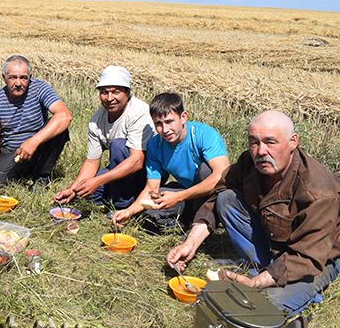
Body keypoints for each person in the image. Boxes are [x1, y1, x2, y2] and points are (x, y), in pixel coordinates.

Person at [167, 110, 340, 314]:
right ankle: (262, 266)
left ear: (293, 141)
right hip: (274, 239)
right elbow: (217, 195)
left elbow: (306, 258)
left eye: (270, 142)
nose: (261, 151)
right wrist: (191, 243)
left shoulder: (319, 192)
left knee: (264, 306)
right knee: (227, 198)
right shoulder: (250, 162)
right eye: (254, 142)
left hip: (314, 258)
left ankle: (292, 286)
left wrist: (256, 283)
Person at [112, 93, 230, 232]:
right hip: (185, 191)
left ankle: (203, 221)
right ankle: (187, 220)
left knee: (205, 170)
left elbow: (221, 176)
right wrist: (129, 211)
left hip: (212, 192)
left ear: (183, 117)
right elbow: (151, 189)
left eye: (169, 121)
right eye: (159, 124)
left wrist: (179, 197)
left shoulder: (204, 134)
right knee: (149, 215)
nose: (165, 130)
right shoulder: (155, 145)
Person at [54, 65, 154, 209]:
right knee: (84, 194)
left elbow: (137, 161)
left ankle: (122, 206)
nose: (109, 98)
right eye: (104, 92)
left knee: (118, 145)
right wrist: (73, 189)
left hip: (148, 173)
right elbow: (91, 162)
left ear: (127, 92)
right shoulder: (97, 120)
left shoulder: (139, 112)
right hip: (122, 170)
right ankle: (127, 197)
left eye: (116, 92)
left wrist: (98, 181)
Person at [0, 55, 72, 191]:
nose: (18, 83)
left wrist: (33, 142)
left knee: (60, 127)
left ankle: (42, 177)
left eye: (23, 78)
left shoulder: (40, 88)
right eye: (12, 77)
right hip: (12, 152)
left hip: (38, 147)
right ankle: (20, 173)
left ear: (30, 77)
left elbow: (65, 116)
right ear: (4, 78)